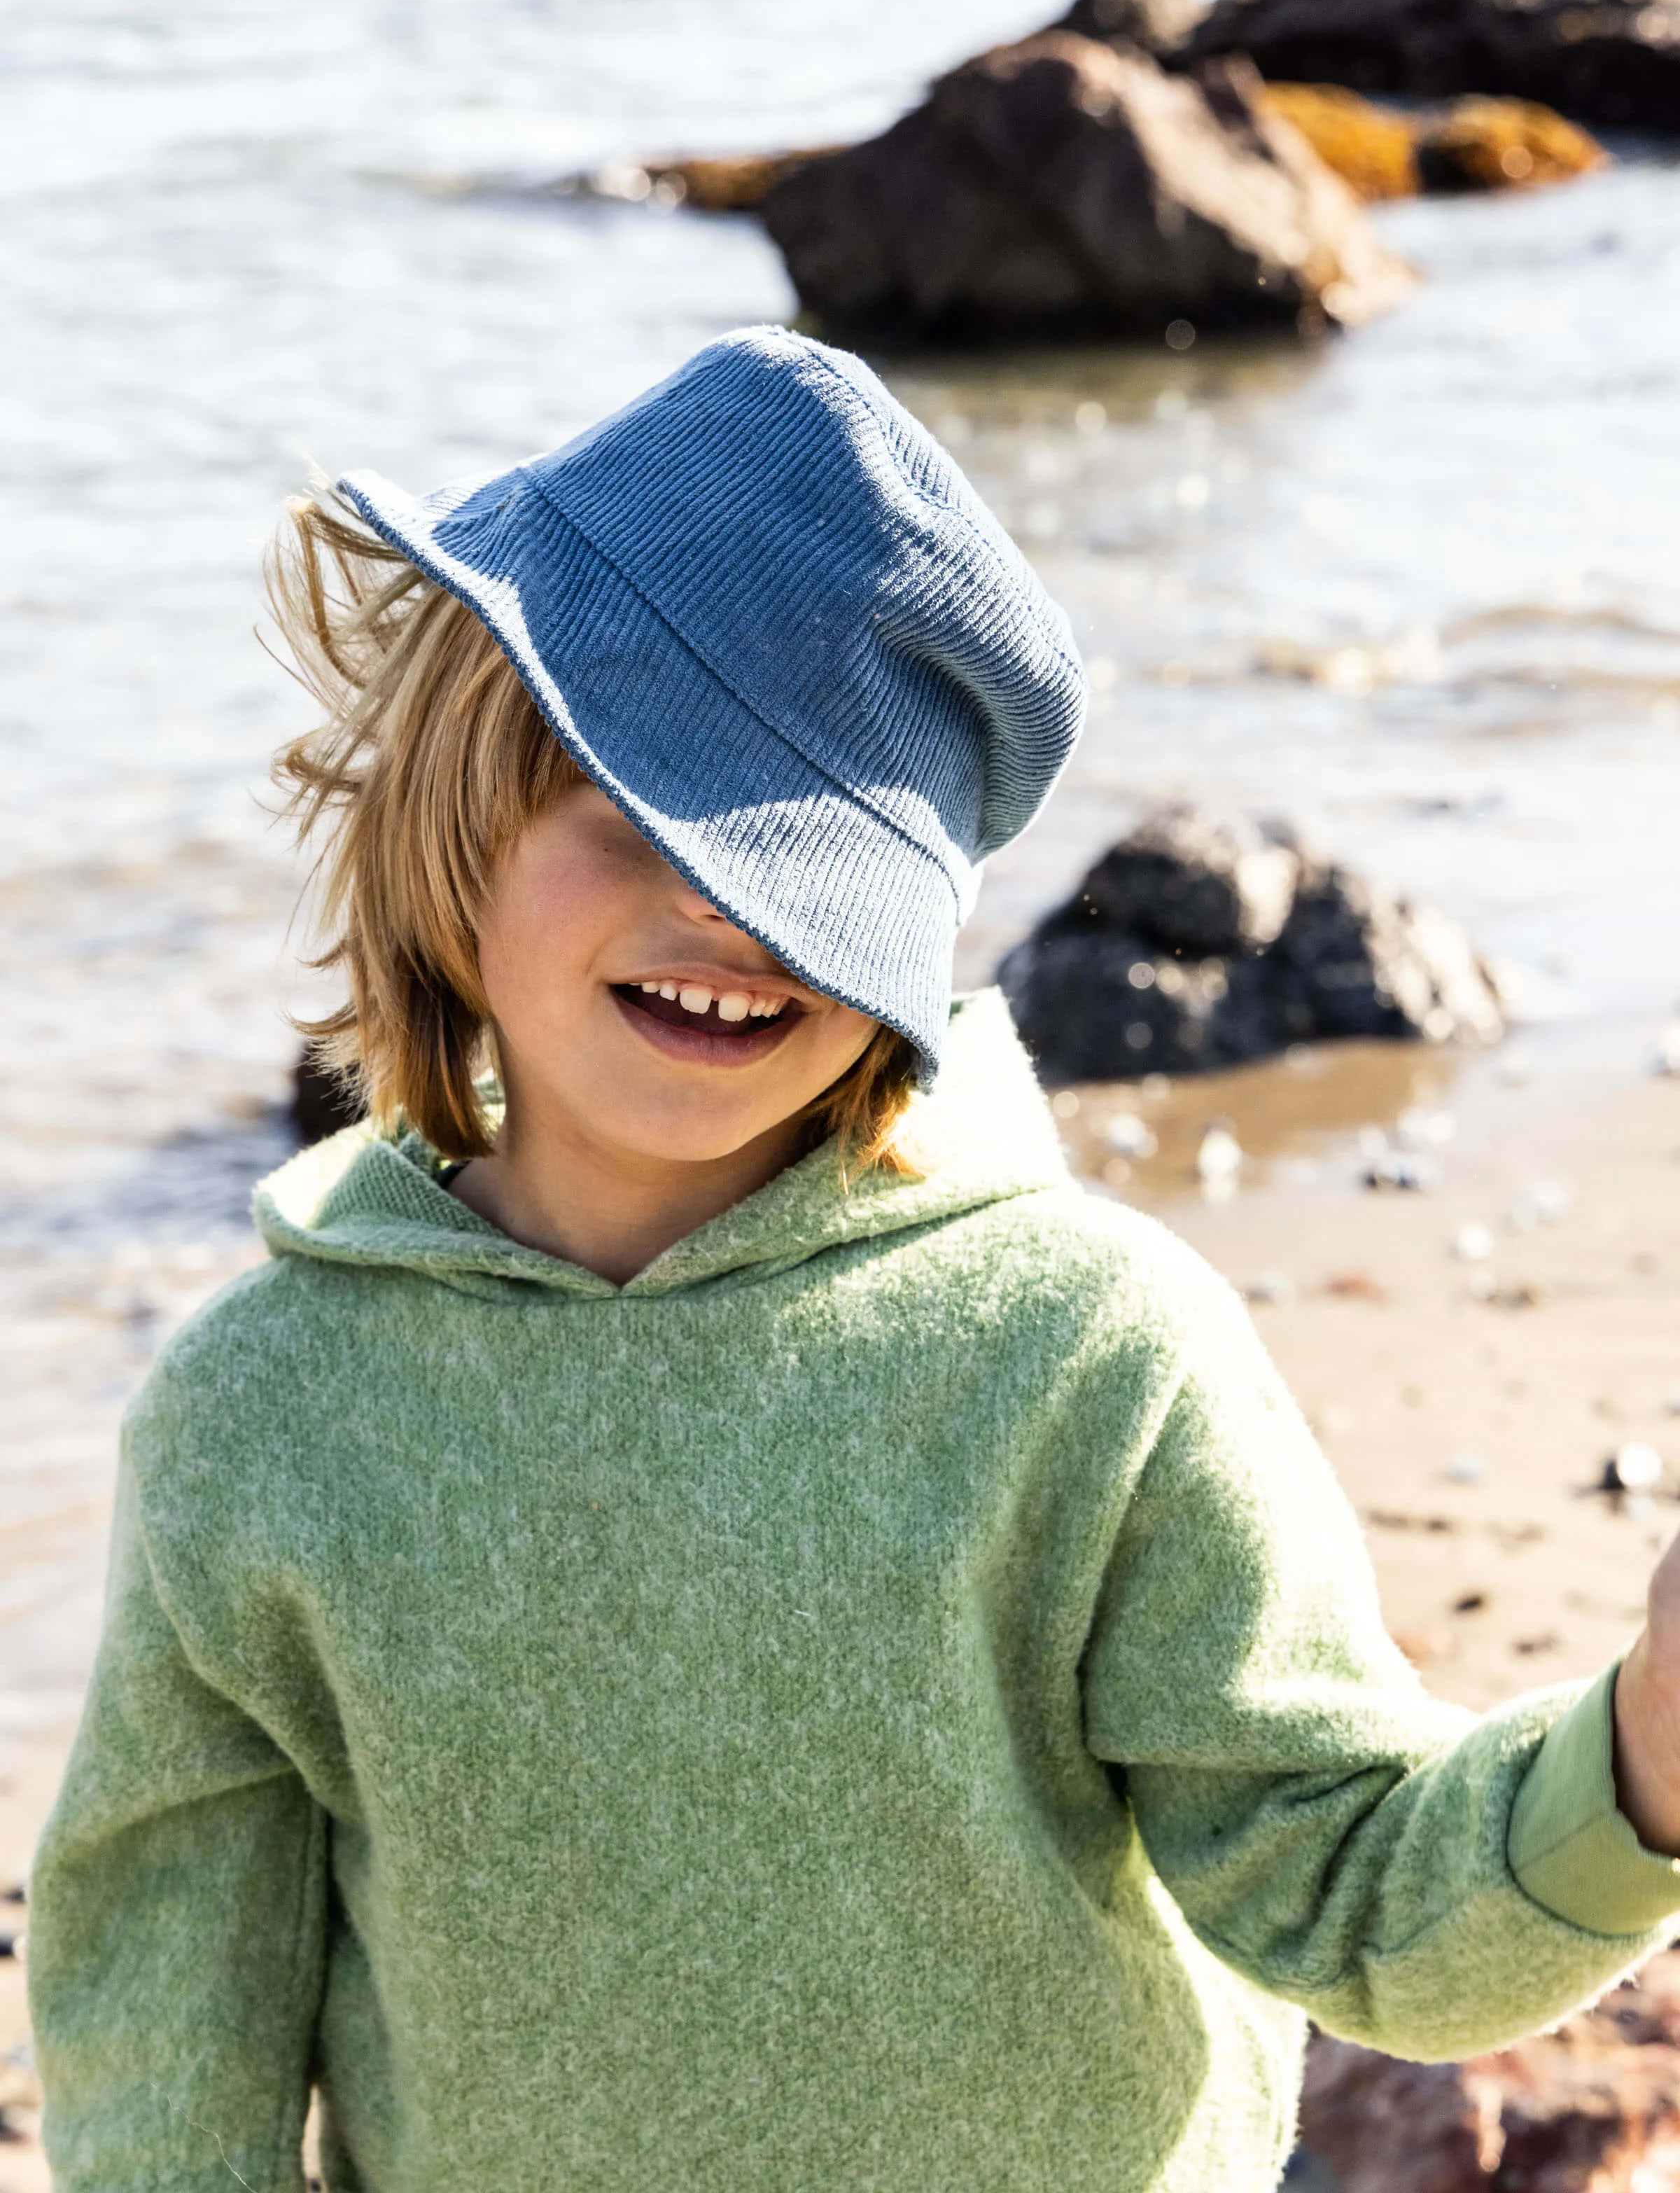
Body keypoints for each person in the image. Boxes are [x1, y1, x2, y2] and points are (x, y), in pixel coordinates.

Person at [25, 326, 1680, 2193]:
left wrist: (1642, 1757)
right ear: (455, 816)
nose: (723, 915)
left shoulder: (1087, 1358)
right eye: (642, 810)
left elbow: (1369, 1904)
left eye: (804, 857)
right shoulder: (267, 1414)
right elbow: (168, 2042)